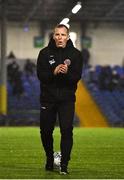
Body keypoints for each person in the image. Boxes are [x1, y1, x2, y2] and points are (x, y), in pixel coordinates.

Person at [36, 24, 83, 175]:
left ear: (68, 37)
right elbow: (41, 76)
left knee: (67, 130)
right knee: (45, 131)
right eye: (57, 35)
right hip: (48, 99)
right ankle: (50, 159)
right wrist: (54, 72)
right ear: (53, 36)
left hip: (67, 99)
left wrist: (67, 73)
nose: (60, 38)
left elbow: (76, 77)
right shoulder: (44, 53)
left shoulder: (76, 55)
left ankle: (64, 164)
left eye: (63, 35)